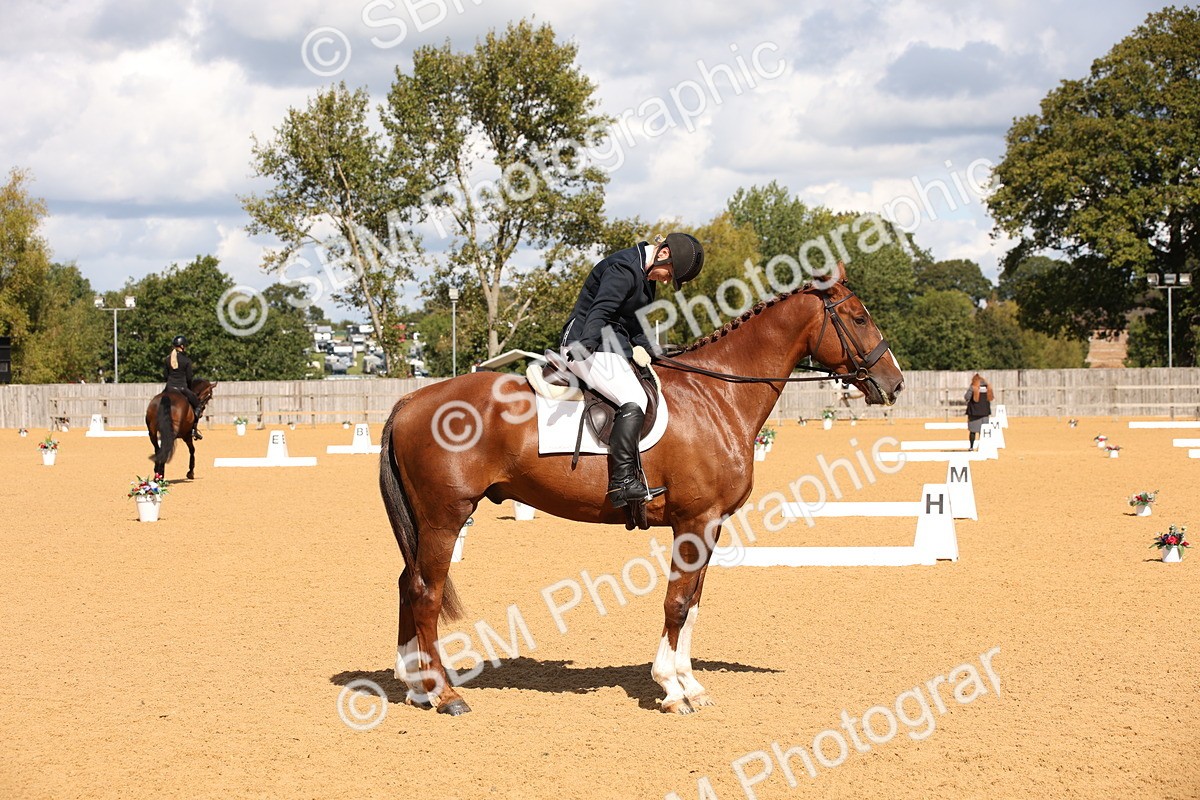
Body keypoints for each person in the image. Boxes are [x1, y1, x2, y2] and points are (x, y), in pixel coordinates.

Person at [560, 232, 704, 508]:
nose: (666, 281)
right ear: (663, 254)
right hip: (584, 342)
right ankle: (622, 482)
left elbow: (634, 325)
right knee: (634, 398)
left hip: (608, 346)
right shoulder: (624, 269)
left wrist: (655, 351)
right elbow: (601, 310)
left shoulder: (645, 276)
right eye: (669, 275)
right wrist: (586, 344)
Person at [164, 335, 206, 440]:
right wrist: (189, 387)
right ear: (182, 346)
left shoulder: (168, 359)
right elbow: (189, 377)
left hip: (169, 388)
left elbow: (165, 375)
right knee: (198, 406)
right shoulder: (186, 360)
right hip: (182, 388)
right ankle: (193, 429)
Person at [965, 373, 994, 451]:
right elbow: (991, 397)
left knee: (972, 431)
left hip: (974, 413)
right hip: (985, 412)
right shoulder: (988, 387)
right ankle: (983, 447)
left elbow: (967, 397)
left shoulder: (973, 387)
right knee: (983, 431)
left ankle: (971, 447)